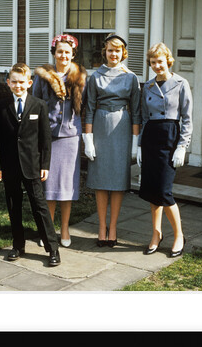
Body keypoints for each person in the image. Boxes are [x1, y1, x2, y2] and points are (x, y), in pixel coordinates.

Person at [0, 62, 61, 267]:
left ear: (29, 83)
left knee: (39, 206)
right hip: (10, 165)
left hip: (32, 165)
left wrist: (45, 165)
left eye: (22, 82)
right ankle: (18, 245)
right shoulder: (1, 107)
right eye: (14, 82)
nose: (18, 86)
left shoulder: (38, 105)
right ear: (8, 83)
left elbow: (45, 139)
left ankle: (52, 248)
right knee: (14, 206)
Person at [83, 33, 141, 247]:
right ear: (104, 52)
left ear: (123, 53)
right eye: (110, 50)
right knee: (100, 181)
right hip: (99, 126)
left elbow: (136, 111)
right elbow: (88, 109)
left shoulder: (131, 77)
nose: (113, 54)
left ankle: (113, 227)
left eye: (117, 50)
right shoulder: (95, 76)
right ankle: (101, 227)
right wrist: (88, 139)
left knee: (117, 182)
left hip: (122, 127)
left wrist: (137, 144)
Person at [137, 43, 193, 258]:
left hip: (170, 136)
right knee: (152, 191)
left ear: (168, 60)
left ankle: (179, 235)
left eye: (160, 61)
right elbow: (143, 118)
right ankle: (156, 234)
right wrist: (140, 145)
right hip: (151, 136)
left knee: (164, 191)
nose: (157, 65)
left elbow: (187, 118)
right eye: (153, 62)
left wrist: (182, 146)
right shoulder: (148, 86)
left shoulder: (181, 83)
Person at [32, 34, 87, 248]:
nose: (63, 55)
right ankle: (48, 230)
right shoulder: (43, 76)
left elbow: (87, 105)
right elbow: (35, 105)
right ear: (54, 53)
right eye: (59, 51)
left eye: (67, 52)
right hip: (48, 136)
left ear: (73, 54)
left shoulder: (81, 77)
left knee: (66, 186)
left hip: (71, 136)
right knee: (48, 186)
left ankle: (64, 229)